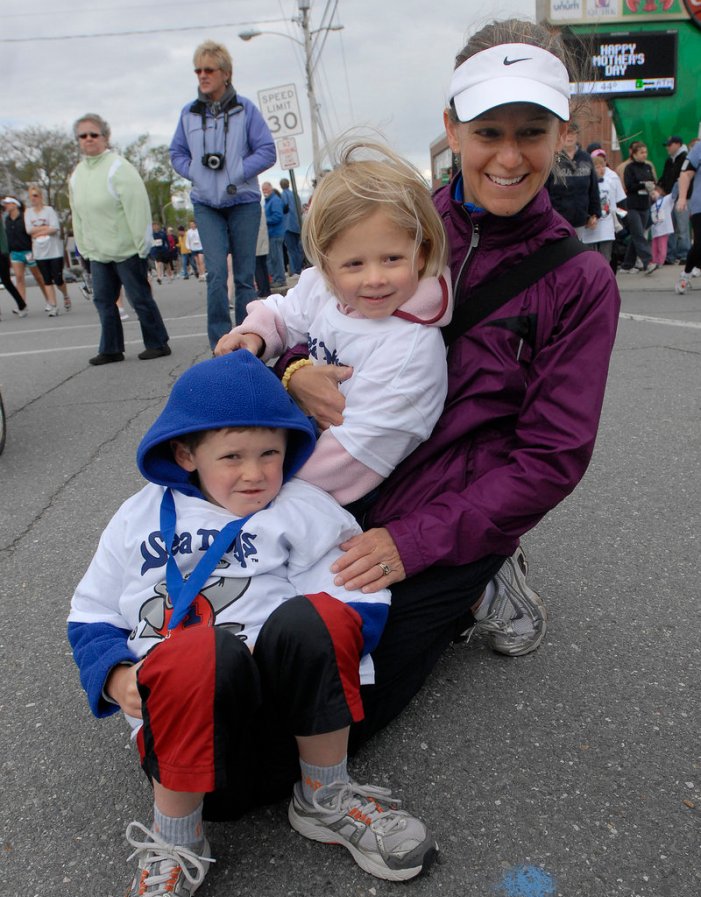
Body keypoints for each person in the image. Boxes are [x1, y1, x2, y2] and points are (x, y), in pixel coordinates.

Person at [270, 18, 619, 747]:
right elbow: (305, 311)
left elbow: (550, 457)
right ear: (451, 127)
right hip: (352, 471)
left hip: (444, 514)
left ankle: (483, 572)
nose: (508, 155)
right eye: (487, 129)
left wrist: (415, 541)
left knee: (329, 719)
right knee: (262, 655)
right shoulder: (397, 220)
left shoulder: (579, 281)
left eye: (531, 131)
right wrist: (291, 370)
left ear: (561, 136)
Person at [67, 350, 436, 897]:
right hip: (187, 724)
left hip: (291, 716)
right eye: (232, 457)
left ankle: (325, 796)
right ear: (187, 455)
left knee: (313, 614)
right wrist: (114, 674)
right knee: (196, 649)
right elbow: (90, 610)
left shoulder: (302, 505)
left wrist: (335, 635)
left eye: (270, 453)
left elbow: (357, 588)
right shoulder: (136, 518)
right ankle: (174, 847)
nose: (255, 473)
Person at [216, 140, 451, 509]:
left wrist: (274, 492)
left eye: (391, 258)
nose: (374, 279)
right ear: (326, 265)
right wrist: (253, 335)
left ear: (420, 255)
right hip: (314, 443)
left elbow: (354, 454)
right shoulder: (324, 289)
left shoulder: (410, 347)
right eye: (354, 264)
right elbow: (284, 311)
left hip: (366, 485)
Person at [169, 40, 276, 348]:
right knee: (216, 275)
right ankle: (220, 344)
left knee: (244, 277)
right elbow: (176, 152)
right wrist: (196, 171)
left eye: (209, 70)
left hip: (242, 201)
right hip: (206, 204)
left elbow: (267, 151)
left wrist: (237, 170)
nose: (202, 76)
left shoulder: (246, 110)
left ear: (226, 73)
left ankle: (247, 341)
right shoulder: (188, 114)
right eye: (198, 70)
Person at [69, 113, 171, 366]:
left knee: (139, 299)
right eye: (83, 136)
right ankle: (111, 348)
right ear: (78, 141)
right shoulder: (77, 174)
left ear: (105, 137)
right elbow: (77, 214)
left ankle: (157, 342)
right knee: (103, 300)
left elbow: (136, 208)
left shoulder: (118, 167)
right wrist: (83, 246)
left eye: (94, 134)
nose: (89, 139)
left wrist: (142, 245)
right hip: (97, 253)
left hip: (127, 249)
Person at [546, 121, 601, 236]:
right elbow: (543, 190)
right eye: (566, 133)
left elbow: (593, 189)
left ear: (577, 135)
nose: (569, 136)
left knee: (577, 250)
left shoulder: (585, 158)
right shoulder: (553, 158)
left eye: (572, 133)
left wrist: (594, 213)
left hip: (580, 219)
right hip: (555, 220)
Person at [24, 185, 70, 317]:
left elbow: (54, 228)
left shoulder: (49, 210)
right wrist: (44, 229)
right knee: (47, 280)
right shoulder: (28, 213)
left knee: (58, 279)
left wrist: (39, 230)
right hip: (39, 252)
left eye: (35, 196)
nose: (33, 199)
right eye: (31, 196)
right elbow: (29, 230)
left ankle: (65, 295)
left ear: (40, 197)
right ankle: (54, 306)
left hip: (54, 251)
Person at [579, 153, 626, 265]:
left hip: (606, 226)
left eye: (603, 166)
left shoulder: (610, 182)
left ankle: (605, 278)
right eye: (597, 167)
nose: (601, 169)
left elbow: (614, 205)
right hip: (591, 226)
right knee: (590, 256)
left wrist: (616, 222)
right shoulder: (586, 184)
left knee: (606, 257)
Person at [2, 196, 49, 307]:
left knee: (38, 277)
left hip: (28, 251)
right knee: (19, 277)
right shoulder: (6, 219)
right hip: (15, 253)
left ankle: (49, 300)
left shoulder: (25, 217)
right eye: (5, 203)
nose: (6, 205)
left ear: (15, 204)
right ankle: (22, 304)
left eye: (8, 203)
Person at [619, 141, 656, 275]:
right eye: (641, 152)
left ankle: (627, 265)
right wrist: (643, 185)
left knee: (636, 236)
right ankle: (648, 261)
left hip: (645, 205)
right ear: (634, 154)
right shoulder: (630, 168)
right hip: (633, 205)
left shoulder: (647, 166)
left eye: (645, 152)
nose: (644, 155)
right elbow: (629, 185)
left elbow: (653, 180)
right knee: (639, 234)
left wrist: (651, 186)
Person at [674, 137, 701, 294]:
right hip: (699, 205)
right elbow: (685, 175)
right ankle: (686, 273)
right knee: (700, 243)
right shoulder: (698, 148)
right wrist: (682, 197)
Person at [657, 134, 689, 264]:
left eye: (669, 145)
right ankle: (670, 255)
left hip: (682, 197)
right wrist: (659, 187)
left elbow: (684, 178)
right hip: (669, 198)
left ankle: (684, 254)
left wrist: (680, 196)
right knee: (670, 228)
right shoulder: (669, 160)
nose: (667, 148)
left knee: (682, 227)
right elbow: (665, 176)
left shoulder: (685, 158)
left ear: (678, 144)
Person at [0, 210, 28, 317]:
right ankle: (22, 305)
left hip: (2, 254)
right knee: (7, 282)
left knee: (6, 281)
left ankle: (22, 305)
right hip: (3, 253)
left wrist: (5, 253)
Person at [261, 181, 286, 287]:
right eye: (263, 190)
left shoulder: (274, 201)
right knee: (273, 258)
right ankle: (276, 278)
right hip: (272, 234)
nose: (264, 192)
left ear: (271, 189)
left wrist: (264, 220)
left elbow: (277, 216)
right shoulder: (268, 201)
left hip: (275, 233)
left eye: (265, 189)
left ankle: (280, 279)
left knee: (277, 258)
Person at [280, 176, 304, 276]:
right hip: (297, 225)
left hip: (287, 225)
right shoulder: (295, 194)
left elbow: (284, 207)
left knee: (291, 249)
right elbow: (300, 209)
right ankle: (299, 268)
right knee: (298, 249)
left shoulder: (283, 194)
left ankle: (295, 270)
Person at [648, 186, 675, 270]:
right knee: (654, 247)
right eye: (651, 194)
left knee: (662, 246)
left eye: (654, 193)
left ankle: (660, 262)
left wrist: (679, 181)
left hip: (664, 229)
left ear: (659, 191)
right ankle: (654, 261)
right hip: (655, 230)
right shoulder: (651, 205)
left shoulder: (665, 200)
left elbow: (674, 194)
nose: (653, 195)